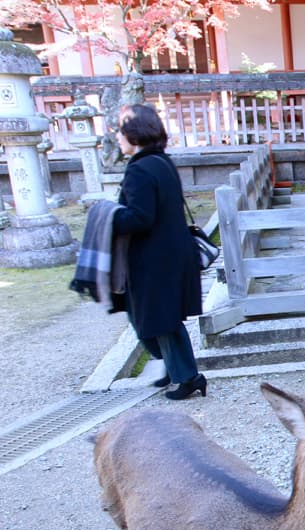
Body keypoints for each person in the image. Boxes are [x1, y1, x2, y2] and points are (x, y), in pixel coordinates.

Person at [113, 104, 206, 400]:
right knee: (156, 317)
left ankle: (189, 377)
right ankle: (174, 368)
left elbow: (140, 217)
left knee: (157, 319)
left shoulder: (140, 169)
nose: (117, 136)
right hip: (170, 253)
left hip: (152, 259)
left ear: (134, 133)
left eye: (120, 129)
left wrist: (107, 214)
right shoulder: (161, 162)